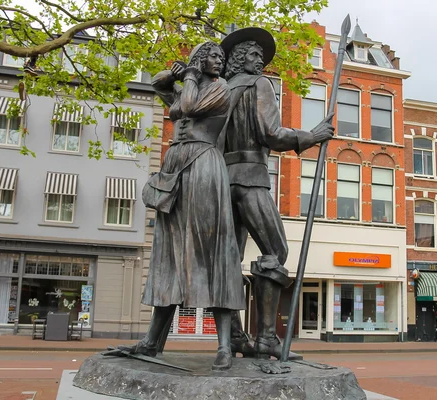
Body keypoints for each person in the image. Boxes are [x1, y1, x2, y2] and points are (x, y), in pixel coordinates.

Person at [117, 41, 244, 371]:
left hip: (203, 164)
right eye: (215, 56)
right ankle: (151, 342)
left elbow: (186, 107)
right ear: (201, 59)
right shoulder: (190, 83)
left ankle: (224, 346)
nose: (221, 62)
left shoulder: (220, 88)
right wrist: (174, 72)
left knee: (213, 250)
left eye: (222, 58)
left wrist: (188, 75)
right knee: (168, 255)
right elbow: (158, 84)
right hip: (175, 168)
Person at [219, 28, 335, 359]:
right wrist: (310, 136)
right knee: (276, 251)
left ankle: (236, 337)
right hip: (252, 178)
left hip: (222, 182)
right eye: (255, 55)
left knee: (230, 260)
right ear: (242, 58)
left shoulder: (221, 90)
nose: (261, 61)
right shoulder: (260, 85)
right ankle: (267, 339)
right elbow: (271, 133)